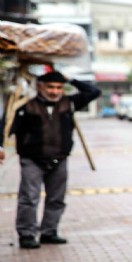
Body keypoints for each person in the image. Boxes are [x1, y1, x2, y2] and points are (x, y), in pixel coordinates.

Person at [0, 71, 101, 249]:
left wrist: (71, 79)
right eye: (50, 87)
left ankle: (49, 231)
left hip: (60, 158)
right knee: (29, 198)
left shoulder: (68, 103)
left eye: (59, 87)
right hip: (32, 159)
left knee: (56, 198)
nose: (55, 91)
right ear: (40, 86)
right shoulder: (24, 106)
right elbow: (5, 126)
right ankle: (27, 234)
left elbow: (94, 91)